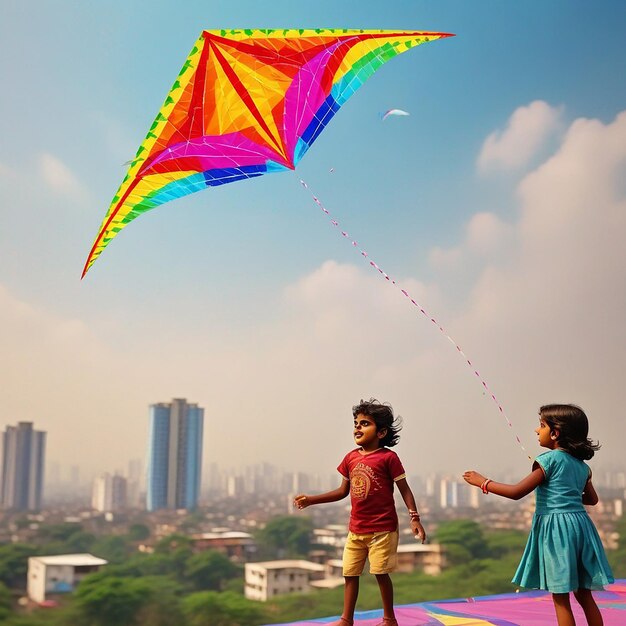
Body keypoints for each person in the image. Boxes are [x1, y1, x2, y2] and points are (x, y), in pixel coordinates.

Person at [463, 404, 614, 626]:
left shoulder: (548, 460)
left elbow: (517, 492)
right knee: (584, 594)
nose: (536, 430)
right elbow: (592, 500)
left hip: (557, 530)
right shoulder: (583, 467)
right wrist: (564, 495)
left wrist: (483, 482)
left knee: (560, 597)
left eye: (542, 426)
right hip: (581, 526)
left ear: (555, 433)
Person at [294, 398, 426, 626]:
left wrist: (414, 518)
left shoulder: (389, 458)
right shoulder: (350, 458)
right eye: (356, 422)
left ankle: (389, 619)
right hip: (356, 530)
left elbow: (405, 490)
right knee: (350, 574)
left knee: (381, 574)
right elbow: (342, 491)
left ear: (381, 432)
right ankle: (346, 619)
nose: (357, 427)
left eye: (365, 423)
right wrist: (312, 500)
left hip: (382, 529)